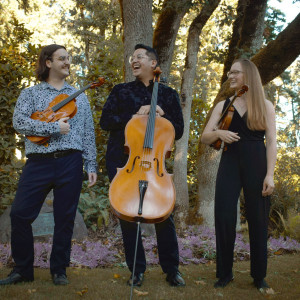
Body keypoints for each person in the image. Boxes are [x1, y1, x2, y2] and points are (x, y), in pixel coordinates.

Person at [0, 44, 97, 286]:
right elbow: (19, 122)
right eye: (62, 58)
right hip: (39, 162)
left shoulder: (80, 95)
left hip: (70, 161)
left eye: (68, 58)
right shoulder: (30, 93)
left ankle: (59, 270)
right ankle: (22, 270)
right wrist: (53, 127)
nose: (67, 62)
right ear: (48, 63)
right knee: (20, 214)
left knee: (65, 218)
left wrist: (91, 164)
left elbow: (88, 133)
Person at [100, 44, 185, 287]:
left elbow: (177, 130)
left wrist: (161, 114)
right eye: (132, 57)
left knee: (163, 215)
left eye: (139, 57)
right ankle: (136, 271)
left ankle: (172, 270)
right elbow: (105, 121)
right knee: (127, 215)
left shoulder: (168, 95)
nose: (133, 61)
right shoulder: (121, 91)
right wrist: (135, 117)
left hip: (154, 166)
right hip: (123, 161)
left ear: (153, 64)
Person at [201, 58, 277, 290]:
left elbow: (272, 141)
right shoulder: (224, 104)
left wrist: (270, 175)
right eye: (229, 73)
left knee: (258, 220)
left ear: (249, 76)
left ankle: (259, 276)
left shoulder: (265, 105)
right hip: (229, 162)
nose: (230, 76)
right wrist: (220, 134)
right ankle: (224, 274)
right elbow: (205, 137)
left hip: (257, 163)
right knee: (224, 216)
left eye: (235, 72)